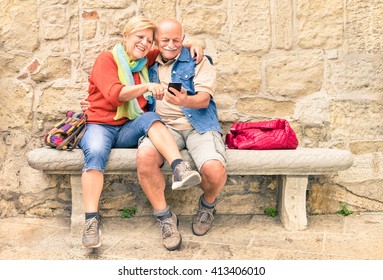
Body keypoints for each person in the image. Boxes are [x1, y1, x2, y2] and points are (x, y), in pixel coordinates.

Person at [79, 16, 203, 249]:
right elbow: (115, 94)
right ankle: (91, 221)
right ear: (125, 36)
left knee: (150, 117)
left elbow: (170, 46)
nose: (145, 44)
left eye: (149, 40)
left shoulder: (143, 60)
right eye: (140, 37)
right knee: (95, 152)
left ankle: (179, 167)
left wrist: (194, 44)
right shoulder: (106, 59)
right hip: (99, 125)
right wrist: (146, 87)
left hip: (128, 126)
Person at [136, 18, 227, 251]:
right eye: (165, 40)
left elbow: (204, 99)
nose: (170, 45)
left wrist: (186, 100)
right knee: (145, 158)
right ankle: (165, 218)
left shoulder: (199, 61)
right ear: (157, 41)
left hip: (199, 126)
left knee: (215, 171)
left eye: (176, 40)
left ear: (183, 38)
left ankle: (207, 206)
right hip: (164, 128)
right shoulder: (146, 64)